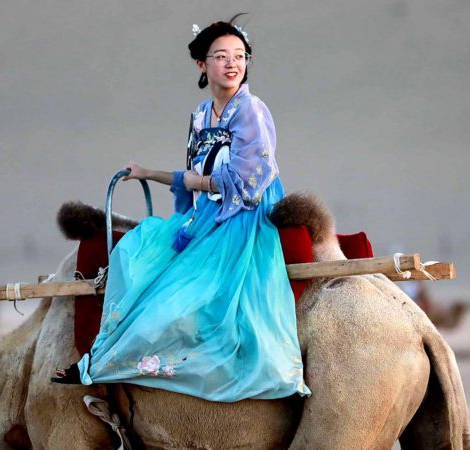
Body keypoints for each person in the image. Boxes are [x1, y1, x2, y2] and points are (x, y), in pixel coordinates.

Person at [51, 15, 311, 402]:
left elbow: (249, 180)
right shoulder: (201, 115)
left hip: (244, 216)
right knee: (134, 257)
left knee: (187, 299)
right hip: (205, 214)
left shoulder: (251, 110)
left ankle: (141, 367)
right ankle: (103, 356)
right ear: (201, 65)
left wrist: (197, 184)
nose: (232, 63)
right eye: (221, 56)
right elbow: (192, 174)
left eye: (240, 55)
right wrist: (147, 173)